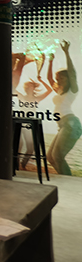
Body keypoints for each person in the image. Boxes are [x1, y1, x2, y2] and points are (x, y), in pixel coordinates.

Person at [47, 40, 81, 175]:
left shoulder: (72, 90)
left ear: (68, 79)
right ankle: (64, 178)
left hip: (71, 124)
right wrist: (50, 61)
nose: (58, 80)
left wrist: (66, 53)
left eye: (62, 78)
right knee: (50, 157)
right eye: (58, 78)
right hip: (63, 125)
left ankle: (68, 182)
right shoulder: (60, 91)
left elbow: (72, 73)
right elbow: (49, 79)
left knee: (57, 156)